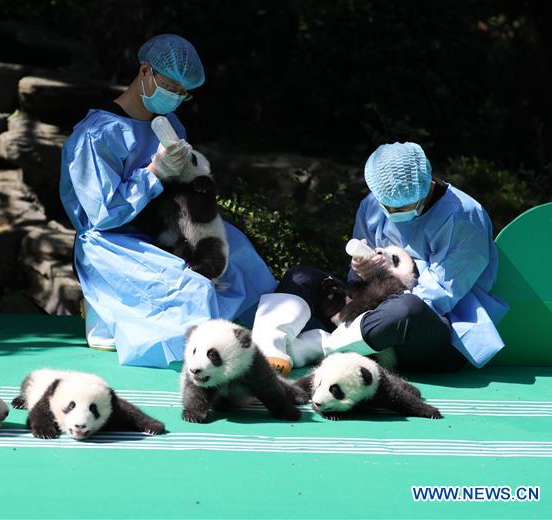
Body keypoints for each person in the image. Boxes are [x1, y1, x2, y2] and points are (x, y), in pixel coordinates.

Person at [59, 34, 277, 368]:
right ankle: (113, 315)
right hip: (114, 241)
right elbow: (102, 215)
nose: (176, 97)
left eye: (182, 92)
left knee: (239, 253)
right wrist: (154, 172)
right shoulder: (96, 135)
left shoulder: (171, 122)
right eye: (171, 87)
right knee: (194, 289)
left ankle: (270, 338)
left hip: (163, 227)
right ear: (145, 71)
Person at [254, 142, 508, 372]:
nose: (396, 212)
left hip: (432, 332)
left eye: (406, 206)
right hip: (369, 320)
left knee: (408, 309)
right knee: (301, 277)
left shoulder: (464, 216)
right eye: (390, 207)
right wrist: (363, 271)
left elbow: (439, 295)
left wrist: (382, 297)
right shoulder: (371, 204)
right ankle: (266, 349)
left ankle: (321, 346)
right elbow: (358, 280)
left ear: (427, 184)